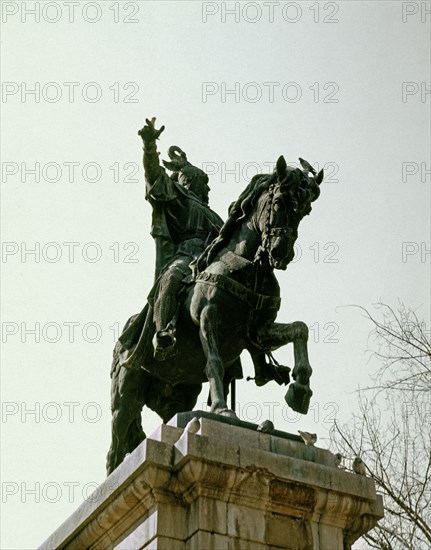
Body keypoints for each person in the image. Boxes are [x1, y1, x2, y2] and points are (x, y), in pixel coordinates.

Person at [138, 118, 223, 361]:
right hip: (185, 256)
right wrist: (149, 146)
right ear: (188, 182)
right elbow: (154, 175)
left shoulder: (215, 216)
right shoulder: (179, 197)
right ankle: (164, 332)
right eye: (201, 183)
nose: (207, 189)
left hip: (213, 260)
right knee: (173, 276)